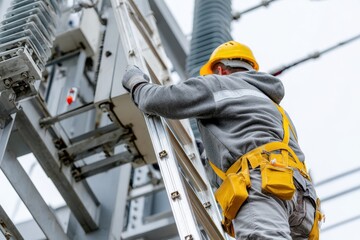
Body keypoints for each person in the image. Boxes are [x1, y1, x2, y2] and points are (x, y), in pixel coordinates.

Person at [122, 40, 323, 239]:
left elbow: (157, 100)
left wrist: (136, 84)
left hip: (263, 186)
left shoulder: (219, 84)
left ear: (220, 69)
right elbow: (245, 143)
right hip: (303, 201)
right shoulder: (273, 107)